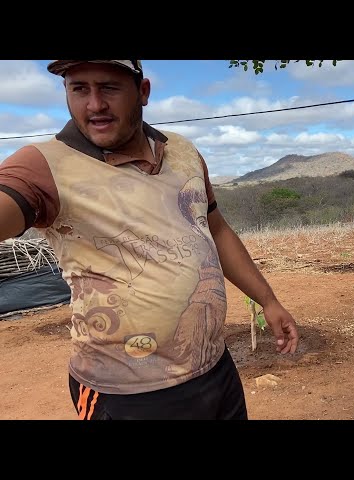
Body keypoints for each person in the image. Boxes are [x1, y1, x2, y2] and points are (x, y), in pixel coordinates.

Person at [0, 60, 299, 420]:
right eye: (79, 88)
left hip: (214, 368)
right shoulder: (43, 165)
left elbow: (216, 230)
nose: (94, 104)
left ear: (142, 93)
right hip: (126, 393)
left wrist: (268, 299)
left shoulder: (183, 152)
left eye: (109, 87)